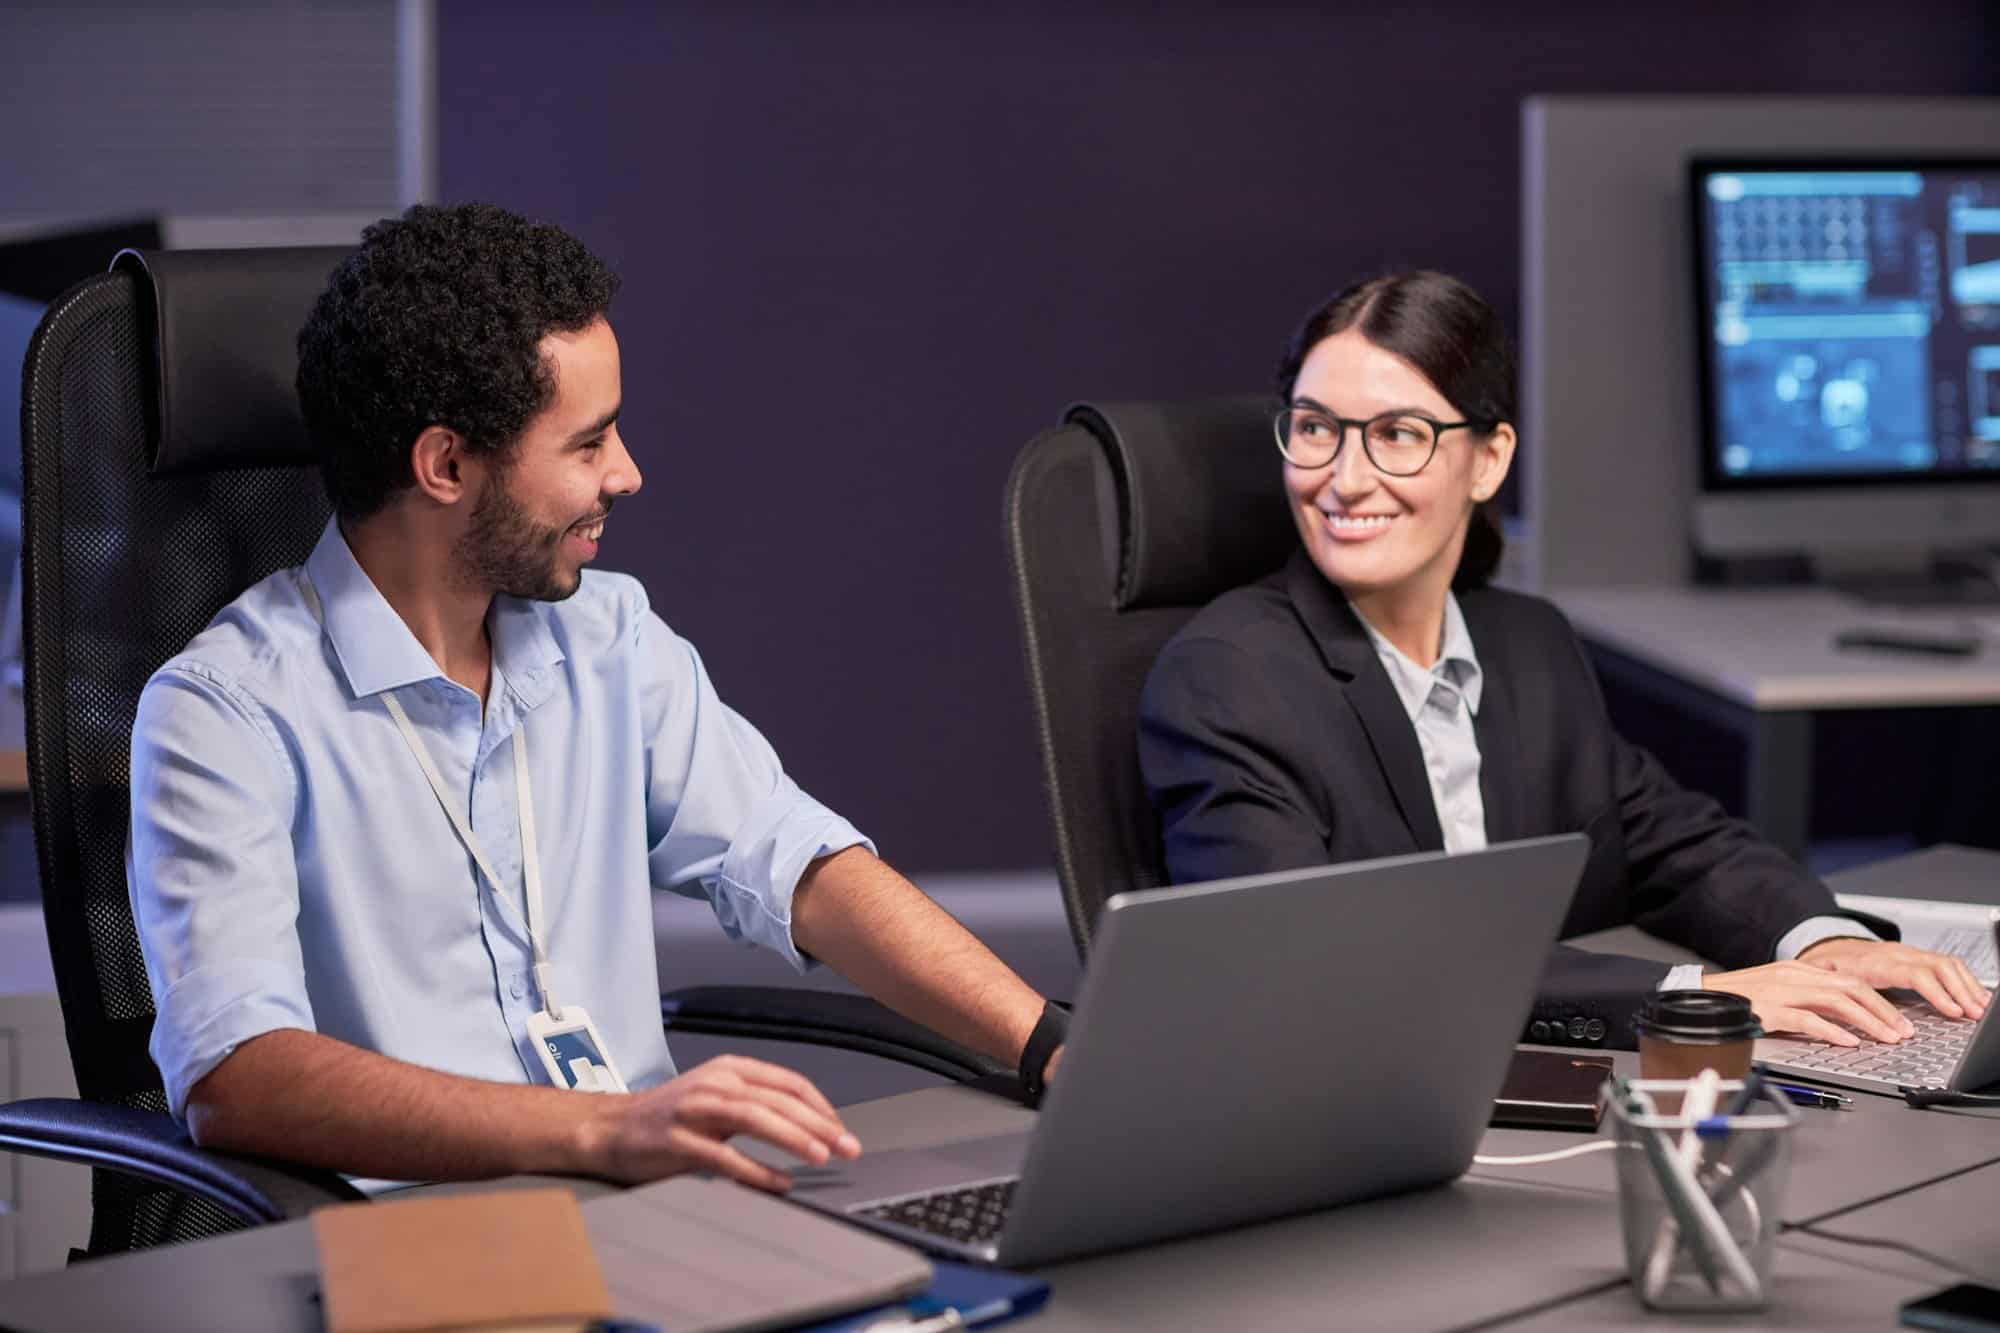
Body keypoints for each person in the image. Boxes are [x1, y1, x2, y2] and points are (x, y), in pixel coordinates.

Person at [128, 203, 1064, 1193]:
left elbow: (800, 866)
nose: (627, 473)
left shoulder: (608, 637)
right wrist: (602, 1129)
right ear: (446, 464)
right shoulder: (223, 712)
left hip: (647, 1210)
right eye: (588, 443)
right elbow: (238, 1076)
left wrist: (1047, 1042)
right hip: (421, 1242)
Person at [1137, 270, 1989, 1050]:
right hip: (1360, 1095)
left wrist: (1822, 939)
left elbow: (1672, 842)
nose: (1344, 478)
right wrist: (1692, 996)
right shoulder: (1227, 679)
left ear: (1489, 459)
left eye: (1397, 434)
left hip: (1565, 1083)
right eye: (1316, 428)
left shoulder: (1527, 642)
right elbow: (1323, 961)